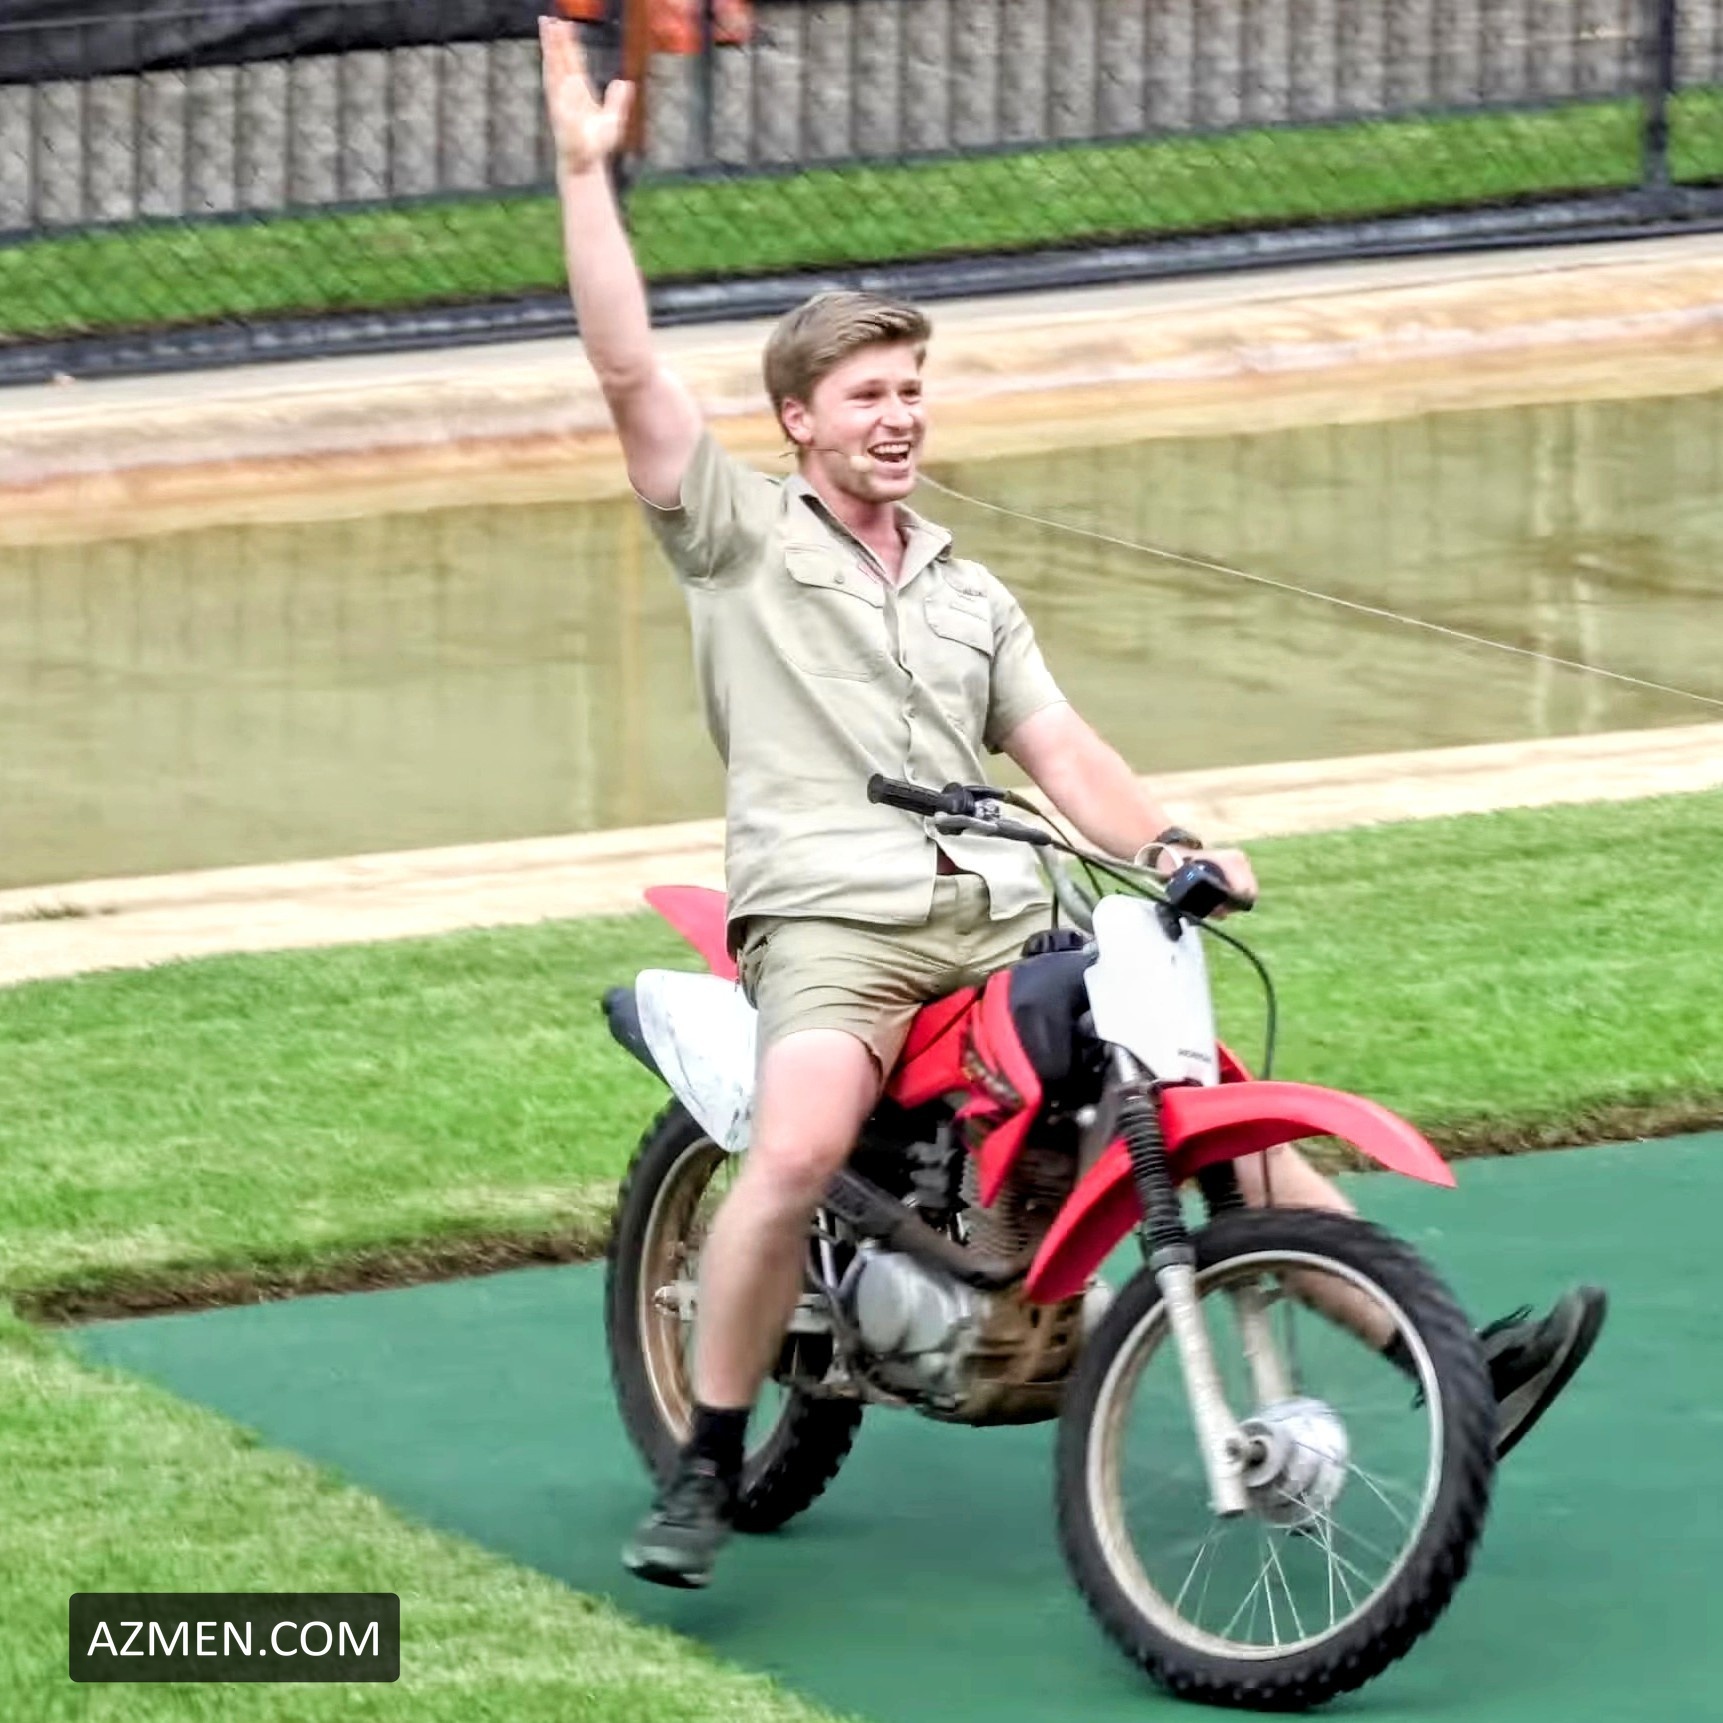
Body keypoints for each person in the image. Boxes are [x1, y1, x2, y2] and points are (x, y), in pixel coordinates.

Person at [538, 16, 1608, 1592]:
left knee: (1195, 1095)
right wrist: (585, 177)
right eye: (866, 393)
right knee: (798, 1143)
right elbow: (629, 368)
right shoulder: (740, 538)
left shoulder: (970, 593)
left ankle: (1452, 1363)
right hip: (833, 926)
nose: (899, 414)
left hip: (996, 917)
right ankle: (705, 1466)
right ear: (800, 421)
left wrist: (1173, 845)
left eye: (913, 389)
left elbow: (1065, 756)